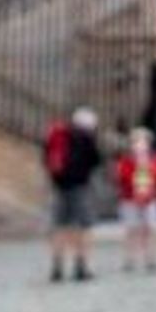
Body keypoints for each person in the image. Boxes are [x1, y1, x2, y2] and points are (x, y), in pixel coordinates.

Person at [46, 106, 101, 282]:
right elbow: (96, 160)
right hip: (80, 187)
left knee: (58, 226)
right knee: (83, 227)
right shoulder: (86, 138)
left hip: (59, 186)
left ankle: (57, 267)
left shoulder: (58, 135)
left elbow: (46, 158)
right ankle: (81, 265)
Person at [116, 125, 156, 272]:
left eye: (143, 140)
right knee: (131, 229)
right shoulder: (126, 160)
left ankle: (151, 258)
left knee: (151, 229)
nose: (140, 144)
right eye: (136, 141)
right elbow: (122, 178)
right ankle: (129, 259)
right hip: (130, 199)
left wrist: (150, 169)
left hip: (151, 199)